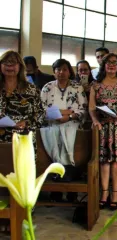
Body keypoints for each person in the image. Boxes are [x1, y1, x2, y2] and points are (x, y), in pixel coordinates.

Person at [88, 53, 117, 211]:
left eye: (115, 63)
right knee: (104, 161)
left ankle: (115, 194)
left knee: (116, 161)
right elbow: (92, 107)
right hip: (103, 126)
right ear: (103, 65)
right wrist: (94, 120)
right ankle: (104, 193)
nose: (112, 65)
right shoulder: (95, 85)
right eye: (108, 63)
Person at [40, 59, 87, 202]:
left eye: (64, 69)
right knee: (53, 134)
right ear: (54, 72)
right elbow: (41, 109)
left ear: (69, 71)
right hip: (52, 124)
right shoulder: (47, 87)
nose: (61, 72)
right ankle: (57, 191)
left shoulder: (77, 87)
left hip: (72, 124)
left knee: (70, 134)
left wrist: (69, 116)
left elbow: (83, 109)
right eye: (58, 69)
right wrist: (63, 112)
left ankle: (71, 190)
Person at [0, 51, 45, 143]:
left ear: (20, 66)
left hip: (23, 139)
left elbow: (41, 113)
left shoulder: (31, 90)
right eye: (6, 63)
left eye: (13, 63)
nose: (9, 66)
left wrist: (27, 123)